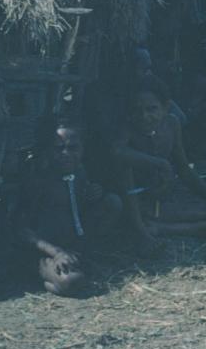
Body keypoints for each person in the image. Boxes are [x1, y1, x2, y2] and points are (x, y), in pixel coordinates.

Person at [10, 117, 122, 296]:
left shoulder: (79, 172)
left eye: (73, 148)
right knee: (71, 281)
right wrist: (56, 252)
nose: (66, 154)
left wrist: (92, 195)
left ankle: (84, 257)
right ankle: (42, 278)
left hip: (72, 245)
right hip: (45, 252)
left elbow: (74, 210)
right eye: (59, 148)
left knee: (112, 202)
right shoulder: (38, 181)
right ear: (46, 150)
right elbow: (22, 230)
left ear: (83, 148)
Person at [116, 80, 206, 240]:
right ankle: (161, 229)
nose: (144, 117)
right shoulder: (128, 133)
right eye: (137, 110)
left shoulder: (172, 124)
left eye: (152, 109)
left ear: (166, 107)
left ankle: (163, 226)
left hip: (167, 197)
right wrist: (160, 163)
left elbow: (184, 169)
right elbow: (117, 151)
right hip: (145, 204)